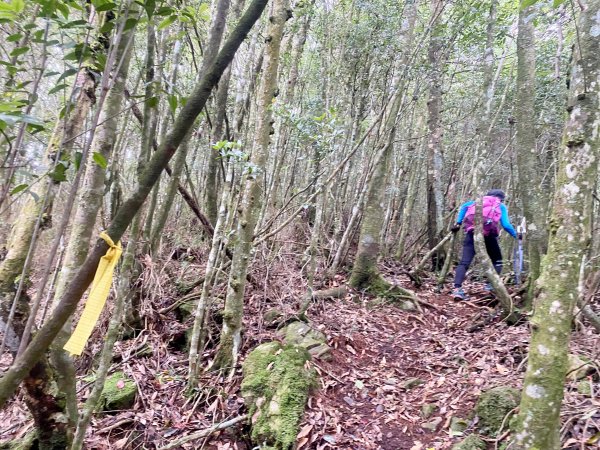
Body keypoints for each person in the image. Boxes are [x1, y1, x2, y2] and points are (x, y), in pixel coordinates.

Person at [450, 189, 517, 300]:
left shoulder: (475, 202)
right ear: (500, 198)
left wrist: (458, 223)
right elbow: (505, 225)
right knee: (497, 260)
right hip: (489, 236)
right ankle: (490, 287)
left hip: (471, 234)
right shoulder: (500, 206)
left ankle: (457, 289)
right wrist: (516, 235)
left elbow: (463, 207)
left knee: (464, 262)